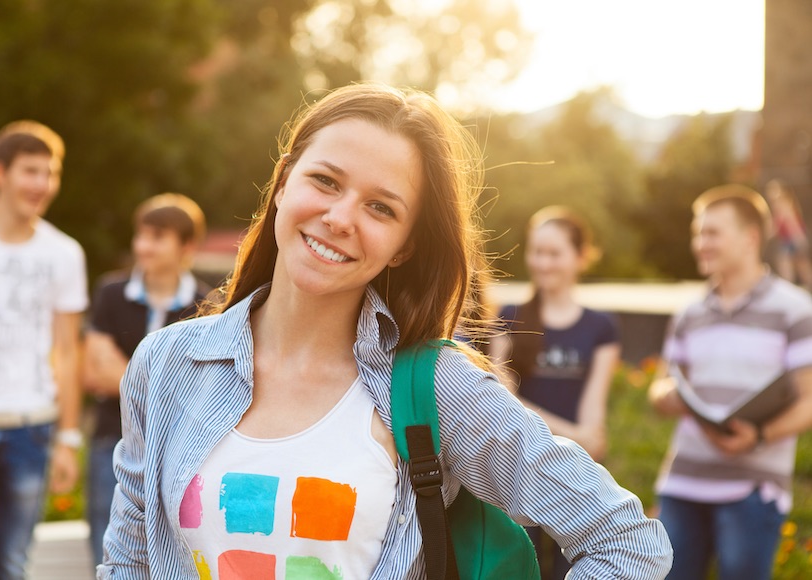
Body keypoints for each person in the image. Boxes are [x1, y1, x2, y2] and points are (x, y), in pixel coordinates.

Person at [99, 83, 672, 579]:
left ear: (405, 248)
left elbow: (627, 541)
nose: (341, 217)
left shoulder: (436, 389)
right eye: (325, 181)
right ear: (282, 183)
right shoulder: (166, 364)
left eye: (381, 208)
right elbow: (129, 563)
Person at [0, 120, 88, 578]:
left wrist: (67, 438)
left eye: (50, 173)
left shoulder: (64, 254)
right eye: (30, 171)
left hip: (30, 429)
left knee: (13, 565)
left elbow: (68, 351)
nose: (42, 184)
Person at [648, 184, 812, 579]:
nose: (700, 243)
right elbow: (659, 388)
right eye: (697, 233)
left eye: (712, 233)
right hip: (682, 484)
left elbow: (809, 399)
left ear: (750, 237)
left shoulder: (794, 310)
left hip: (752, 488)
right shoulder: (689, 313)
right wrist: (670, 395)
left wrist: (757, 436)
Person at [490, 206, 621, 579]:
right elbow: (502, 399)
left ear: (580, 257)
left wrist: (586, 437)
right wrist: (577, 435)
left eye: (554, 253)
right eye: (537, 252)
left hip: (576, 479)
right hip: (518, 477)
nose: (543, 263)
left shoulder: (601, 327)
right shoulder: (510, 316)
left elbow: (594, 409)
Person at [81, 193, 210, 566]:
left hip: (174, 446)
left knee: (168, 552)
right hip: (111, 438)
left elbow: (199, 387)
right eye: (141, 235)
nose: (143, 246)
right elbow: (95, 371)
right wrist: (164, 386)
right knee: (107, 550)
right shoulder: (111, 293)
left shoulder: (208, 304)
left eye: (157, 237)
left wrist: (124, 378)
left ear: (186, 246)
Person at [764, 178, 812, 291]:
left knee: (787, 264)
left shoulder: (783, 203)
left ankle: (788, 288)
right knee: (801, 266)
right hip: (791, 239)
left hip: (792, 239)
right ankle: (794, 287)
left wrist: (799, 238)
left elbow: (787, 222)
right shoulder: (786, 203)